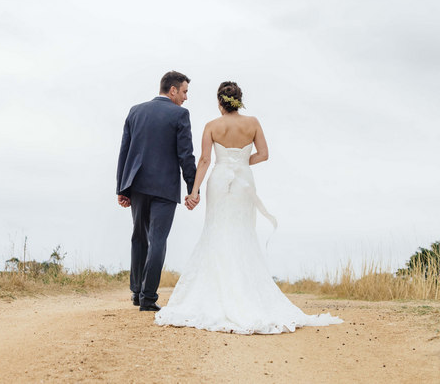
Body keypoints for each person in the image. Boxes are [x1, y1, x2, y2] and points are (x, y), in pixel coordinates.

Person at [154, 81, 343, 333]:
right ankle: (246, 291)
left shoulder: (212, 126)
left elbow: (205, 160)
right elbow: (264, 154)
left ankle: (218, 291)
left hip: (219, 180)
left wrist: (194, 191)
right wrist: (241, 162)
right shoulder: (252, 123)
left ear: (220, 102)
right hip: (243, 181)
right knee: (243, 232)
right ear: (239, 100)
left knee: (216, 231)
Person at [116, 71, 199, 312]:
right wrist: (193, 188)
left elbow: (124, 152)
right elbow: (186, 155)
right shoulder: (180, 114)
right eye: (184, 92)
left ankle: (136, 293)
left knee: (139, 237)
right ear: (172, 90)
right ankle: (148, 298)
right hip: (164, 187)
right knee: (158, 240)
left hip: (137, 184)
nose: (185, 98)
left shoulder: (135, 111)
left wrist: (122, 187)